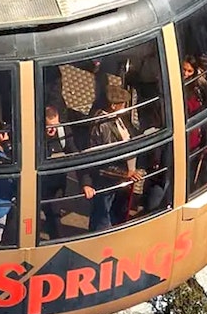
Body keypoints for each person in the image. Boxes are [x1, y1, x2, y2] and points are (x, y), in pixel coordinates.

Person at [81, 85, 143, 230]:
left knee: (114, 211)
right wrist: (126, 173)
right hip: (107, 180)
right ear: (114, 106)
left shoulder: (117, 118)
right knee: (102, 216)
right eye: (122, 103)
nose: (125, 106)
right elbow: (103, 159)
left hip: (119, 178)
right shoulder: (102, 125)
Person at [40, 106, 78, 240]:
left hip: (57, 182)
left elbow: (72, 150)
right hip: (39, 182)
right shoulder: (34, 135)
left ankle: (56, 241)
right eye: (49, 126)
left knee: (54, 213)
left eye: (56, 125)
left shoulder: (63, 131)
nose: (53, 130)